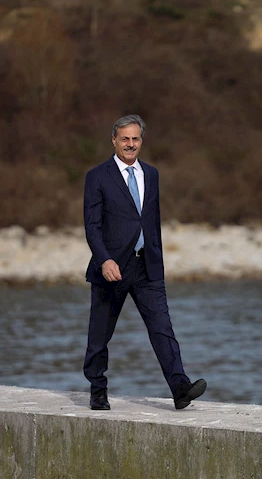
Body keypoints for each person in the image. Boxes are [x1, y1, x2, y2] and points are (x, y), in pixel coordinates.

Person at [82, 114, 206, 411]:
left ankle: (180, 389)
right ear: (114, 140)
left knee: (162, 328)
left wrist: (157, 256)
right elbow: (92, 226)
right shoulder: (97, 176)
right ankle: (97, 389)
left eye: (135, 138)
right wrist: (104, 259)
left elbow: (152, 220)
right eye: (124, 138)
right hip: (112, 268)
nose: (130, 144)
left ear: (141, 141)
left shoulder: (151, 174)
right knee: (100, 334)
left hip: (147, 266)